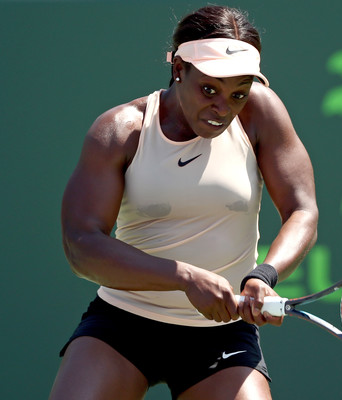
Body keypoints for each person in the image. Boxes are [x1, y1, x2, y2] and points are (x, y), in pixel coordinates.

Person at [49, 5, 318, 400]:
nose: (222, 108)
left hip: (221, 338)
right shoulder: (122, 129)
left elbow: (302, 211)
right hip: (124, 324)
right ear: (178, 70)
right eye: (209, 89)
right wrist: (185, 277)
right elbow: (80, 245)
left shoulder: (261, 112)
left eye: (237, 94)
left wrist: (264, 275)